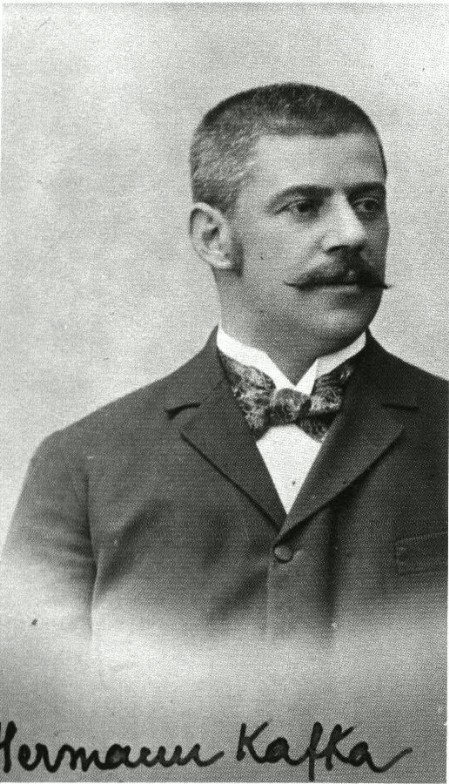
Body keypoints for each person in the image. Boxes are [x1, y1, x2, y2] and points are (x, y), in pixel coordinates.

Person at [0, 83, 446, 656]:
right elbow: (37, 700)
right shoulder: (81, 468)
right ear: (214, 238)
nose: (353, 234)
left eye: (367, 204)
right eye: (304, 207)